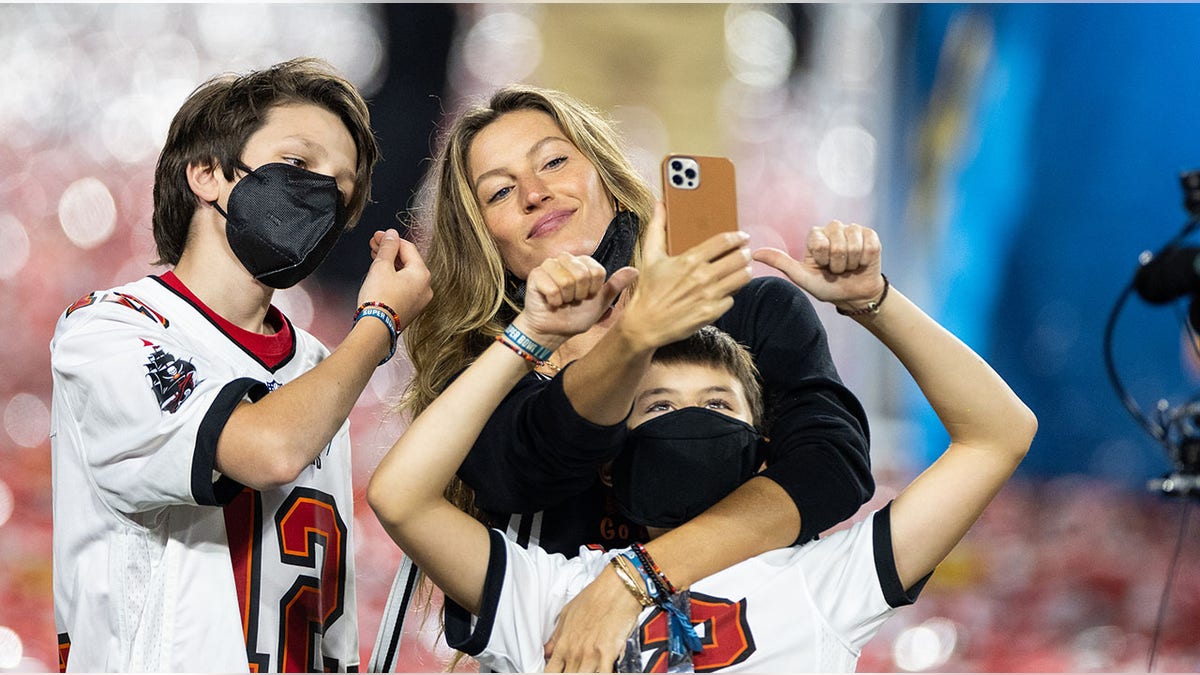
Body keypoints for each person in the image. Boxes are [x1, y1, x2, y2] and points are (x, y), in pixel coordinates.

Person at [368, 221, 1037, 672]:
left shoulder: (822, 584)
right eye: (657, 407)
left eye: (717, 406)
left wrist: (873, 301)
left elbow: (999, 433)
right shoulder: (554, 590)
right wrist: (531, 335)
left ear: (765, 448)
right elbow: (399, 496)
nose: (688, 420)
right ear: (609, 462)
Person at [380, 84, 873, 669]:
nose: (536, 194)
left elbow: (831, 469)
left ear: (607, 176)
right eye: (502, 191)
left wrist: (635, 578)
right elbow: (525, 472)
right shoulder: (489, 360)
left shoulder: (756, 311)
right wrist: (627, 335)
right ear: (487, 240)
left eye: (555, 161)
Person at [49, 58, 432, 672]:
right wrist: (380, 322)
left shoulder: (318, 366)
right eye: (298, 164)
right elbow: (266, 449)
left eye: (343, 185)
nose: (322, 194)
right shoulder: (111, 329)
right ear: (206, 174)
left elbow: (325, 621)